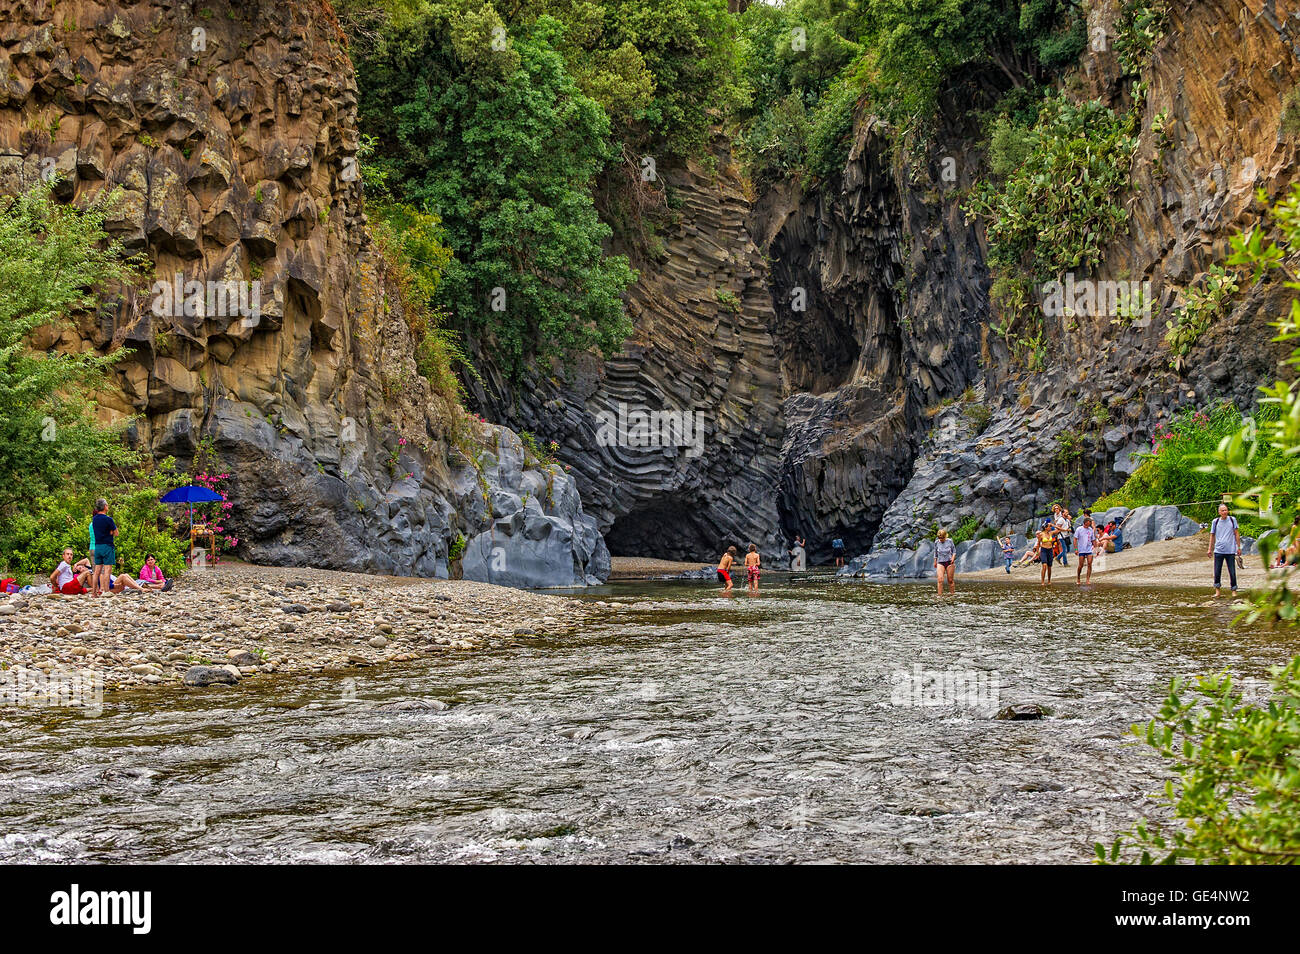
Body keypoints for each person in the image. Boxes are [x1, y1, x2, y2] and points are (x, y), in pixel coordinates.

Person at [1208, 503, 1241, 597]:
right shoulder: (1215, 521)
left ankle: (1234, 590)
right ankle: (1217, 591)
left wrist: (1238, 547)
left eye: (1226, 510)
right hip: (1218, 550)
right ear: (1219, 512)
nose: (1224, 512)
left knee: (1232, 571)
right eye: (1222, 510)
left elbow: (1236, 533)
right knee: (1217, 571)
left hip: (1230, 550)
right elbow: (1212, 535)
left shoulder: (1232, 519)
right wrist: (1209, 549)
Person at [90, 498, 118, 598]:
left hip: (97, 546)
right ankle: (106, 591)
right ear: (105, 506)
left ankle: (94, 593)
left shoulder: (94, 519)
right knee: (107, 569)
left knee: (96, 571)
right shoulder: (108, 519)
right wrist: (110, 532)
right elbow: (116, 533)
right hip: (107, 545)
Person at [1074, 516, 1097, 585]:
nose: (1089, 525)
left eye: (1090, 524)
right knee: (1080, 565)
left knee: (1089, 563)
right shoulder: (1079, 529)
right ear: (1085, 523)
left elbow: (1093, 539)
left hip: (1089, 549)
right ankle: (1078, 578)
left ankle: (1088, 579)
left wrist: (1095, 548)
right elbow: (1075, 539)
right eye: (1088, 523)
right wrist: (1076, 549)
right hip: (1081, 549)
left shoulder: (1090, 530)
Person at [933, 528, 956, 595]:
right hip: (940, 562)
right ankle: (939, 596)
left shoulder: (950, 541)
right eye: (939, 538)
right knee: (940, 580)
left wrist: (953, 558)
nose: (941, 539)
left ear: (945, 536)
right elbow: (935, 552)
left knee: (950, 580)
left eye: (942, 538)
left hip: (949, 562)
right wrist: (935, 561)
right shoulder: (936, 542)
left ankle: (952, 595)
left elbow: (954, 551)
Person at [1037, 520, 1057, 585]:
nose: (1050, 527)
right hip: (1043, 550)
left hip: (1050, 550)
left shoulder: (1051, 533)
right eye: (1049, 526)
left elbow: (1059, 530)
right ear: (1045, 528)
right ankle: (1042, 581)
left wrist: (1053, 525)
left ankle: (1049, 580)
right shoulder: (1041, 534)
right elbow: (1038, 544)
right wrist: (1037, 553)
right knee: (1044, 566)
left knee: (1049, 567)